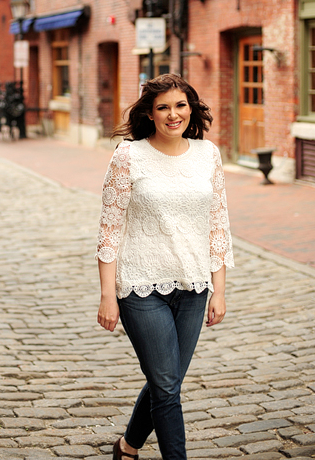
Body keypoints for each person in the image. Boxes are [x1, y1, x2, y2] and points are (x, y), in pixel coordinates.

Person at [96, 73, 234, 460]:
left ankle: (127, 447)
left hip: (194, 287)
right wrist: (109, 296)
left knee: (165, 383)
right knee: (168, 386)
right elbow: (110, 230)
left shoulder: (208, 154)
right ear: (150, 114)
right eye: (163, 108)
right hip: (140, 287)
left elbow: (218, 223)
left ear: (191, 109)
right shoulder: (128, 156)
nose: (174, 115)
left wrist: (219, 289)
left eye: (180, 105)